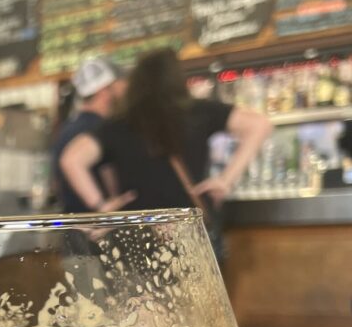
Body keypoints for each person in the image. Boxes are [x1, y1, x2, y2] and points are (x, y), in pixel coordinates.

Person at [61, 49, 272, 216]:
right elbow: (260, 124)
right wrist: (226, 180)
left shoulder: (121, 123)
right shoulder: (198, 111)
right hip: (188, 227)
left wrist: (101, 206)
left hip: (138, 234)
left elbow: (72, 159)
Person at [51, 57, 126, 213]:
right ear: (105, 91)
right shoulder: (101, 129)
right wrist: (102, 207)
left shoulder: (67, 128)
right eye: (119, 84)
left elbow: (56, 184)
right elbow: (71, 162)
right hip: (100, 229)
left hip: (74, 227)